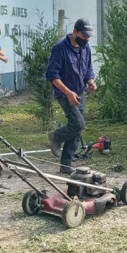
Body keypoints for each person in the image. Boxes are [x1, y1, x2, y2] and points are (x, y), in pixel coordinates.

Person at [46, 18, 97, 174]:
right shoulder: (60, 48)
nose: (87, 39)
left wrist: (90, 81)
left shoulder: (85, 47)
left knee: (77, 130)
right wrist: (68, 92)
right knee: (78, 124)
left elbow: (88, 69)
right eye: (84, 35)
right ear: (75, 32)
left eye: (89, 36)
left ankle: (66, 165)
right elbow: (52, 75)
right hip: (64, 93)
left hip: (80, 92)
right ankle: (55, 136)